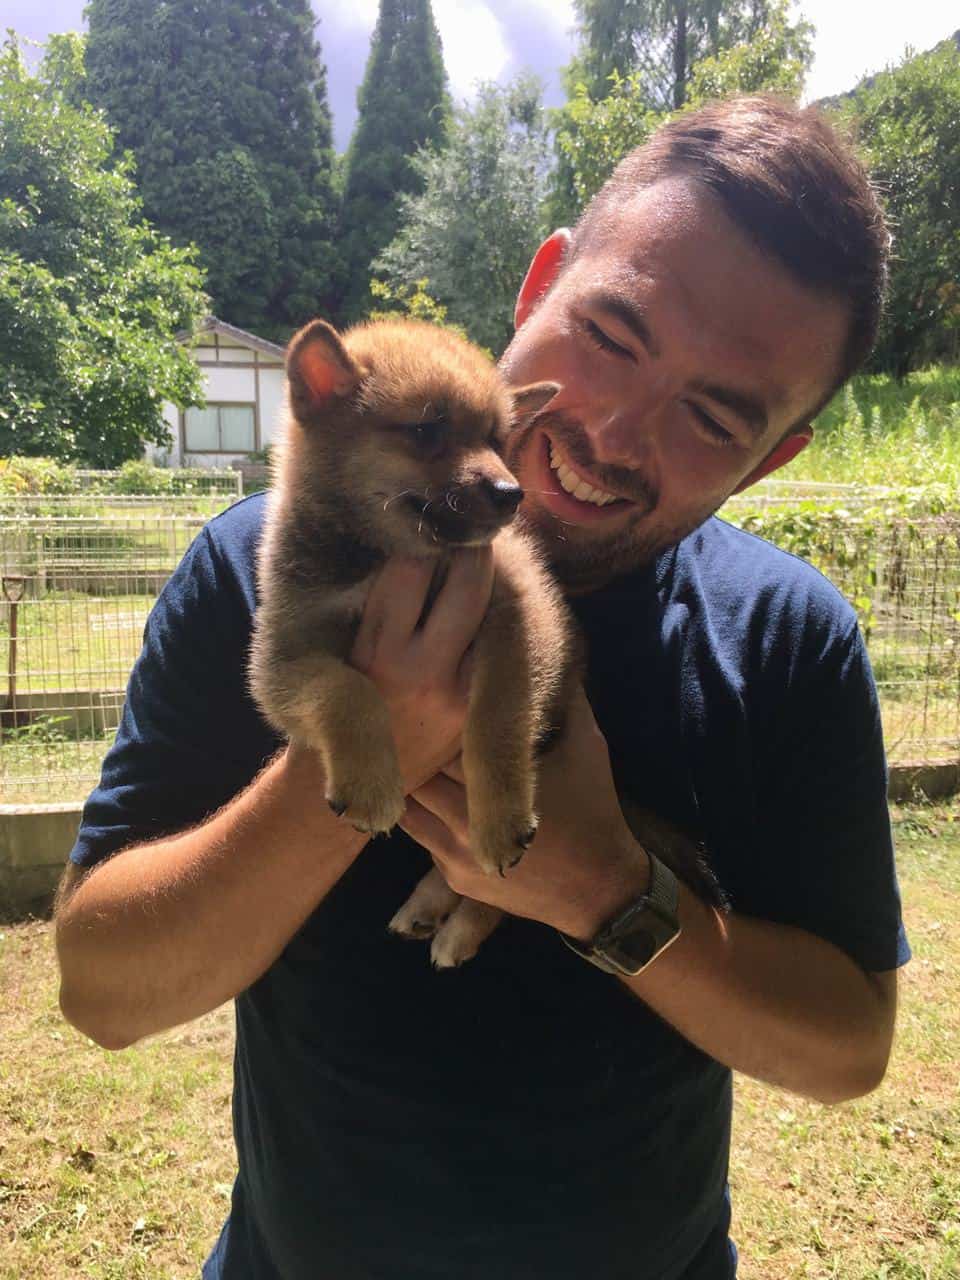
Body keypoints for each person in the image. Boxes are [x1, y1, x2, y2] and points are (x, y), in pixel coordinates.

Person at [54, 96, 909, 1280]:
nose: (610, 429)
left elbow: (849, 1050)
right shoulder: (248, 568)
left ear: (773, 458)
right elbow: (101, 991)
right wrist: (358, 758)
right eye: (611, 334)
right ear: (541, 280)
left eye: (714, 417)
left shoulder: (792, 640)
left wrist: (611, 887)